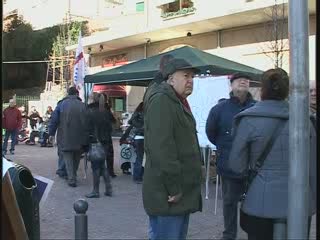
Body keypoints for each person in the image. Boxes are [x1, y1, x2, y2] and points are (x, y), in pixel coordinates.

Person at [226, 68, 316, 240]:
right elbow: (313, 167)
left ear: (262, 89)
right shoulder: (306, 119)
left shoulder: (247, 120)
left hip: (259, 201)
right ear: (287, 90)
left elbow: (236, 166)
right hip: (298, 203)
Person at [143, 58, 202, 240]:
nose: (190, 80)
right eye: (185, 75)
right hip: (168, 194)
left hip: (175, 192)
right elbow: (162, 150)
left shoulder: (175, 100)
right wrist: (174, 188)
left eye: (192, 76)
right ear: (170, 79)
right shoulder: (163, 100)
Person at [205, 72, 256, 240]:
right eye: (238, 80)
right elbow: (211, 133)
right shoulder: (219, 109)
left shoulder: (256, 107)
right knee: (229, 203)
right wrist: (225, 148)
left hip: (254, 167)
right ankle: (229, 234)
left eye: (246, 80)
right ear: (231, 85)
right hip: (229, 165)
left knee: (254, 204)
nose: (243, 81)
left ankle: (253, 234)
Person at [49, 87, 87, 187]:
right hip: (80, 137)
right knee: (77, 158)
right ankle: (73, 175)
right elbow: (88, 122)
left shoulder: (61, 104)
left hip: (65, 136)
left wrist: (51, 133)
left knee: (68, 157)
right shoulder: (83, 106)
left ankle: (71, 178)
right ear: (77, 94)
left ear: (68, 94)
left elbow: (54, 120)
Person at [85, 92, 112, 198]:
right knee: (102, 165)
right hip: (105, 141)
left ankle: (96, 191)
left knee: (96, 167)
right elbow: (110, 127)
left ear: (92, 99)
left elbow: (86, 129)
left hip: (95, 142)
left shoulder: (90, 112)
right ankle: (108, 188)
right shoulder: (105, 111)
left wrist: (85, 144)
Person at [128, 102, 144, 184]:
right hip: (142, 137)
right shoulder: (146, 113)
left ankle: (137, 176)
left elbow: (130, 122)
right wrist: (141, 127)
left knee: (139, 157)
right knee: (141, 158)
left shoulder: (137, 112)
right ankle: (138, 177)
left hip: (136, 138)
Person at [104, 98, 117, 178]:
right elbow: (114, 121)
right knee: (109, 154)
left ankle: (99, 172)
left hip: (97, 135)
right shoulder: (107, 110)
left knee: (99, 154)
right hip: (106, 135)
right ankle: (110, 172)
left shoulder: (92, 109)